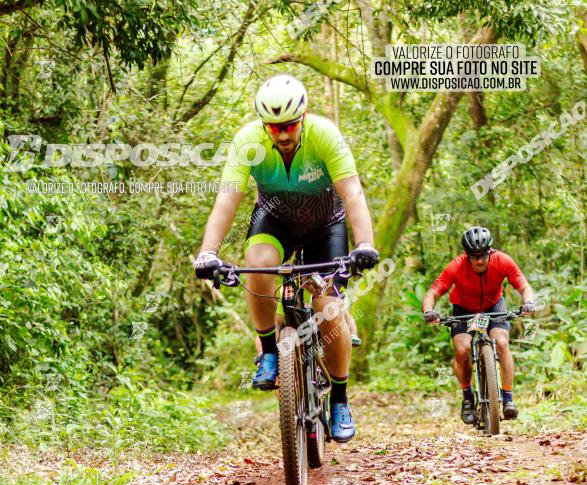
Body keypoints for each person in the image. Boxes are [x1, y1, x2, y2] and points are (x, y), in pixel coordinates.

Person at [194, 74, 378, 442]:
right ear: (264, 124)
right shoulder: (248, 141)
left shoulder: (325, 135)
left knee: (328, 306)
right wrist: (208, 252)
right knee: (258, 265)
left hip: (326, 225)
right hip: (274, 220)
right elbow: (227, 198)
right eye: (274, 127)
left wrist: (364, 245)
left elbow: (353, 193)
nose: (282, 135)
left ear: (304, 117)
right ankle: (267, 351)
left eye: (290, 125)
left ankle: (340, 398)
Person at [421, 227, 535, 422]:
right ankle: (467, 397)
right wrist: (428, 311)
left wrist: (529, 302)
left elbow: (524, 286)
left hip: (493, 306)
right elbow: (432, 293)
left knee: (501, 343)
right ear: (467, 256)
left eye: (483, 255)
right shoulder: (456, 266)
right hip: (464, 309)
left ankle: (508, 399)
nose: (480, 260)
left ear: (490, 251)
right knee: (462, 349)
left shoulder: (503, 261)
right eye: (474, 256)